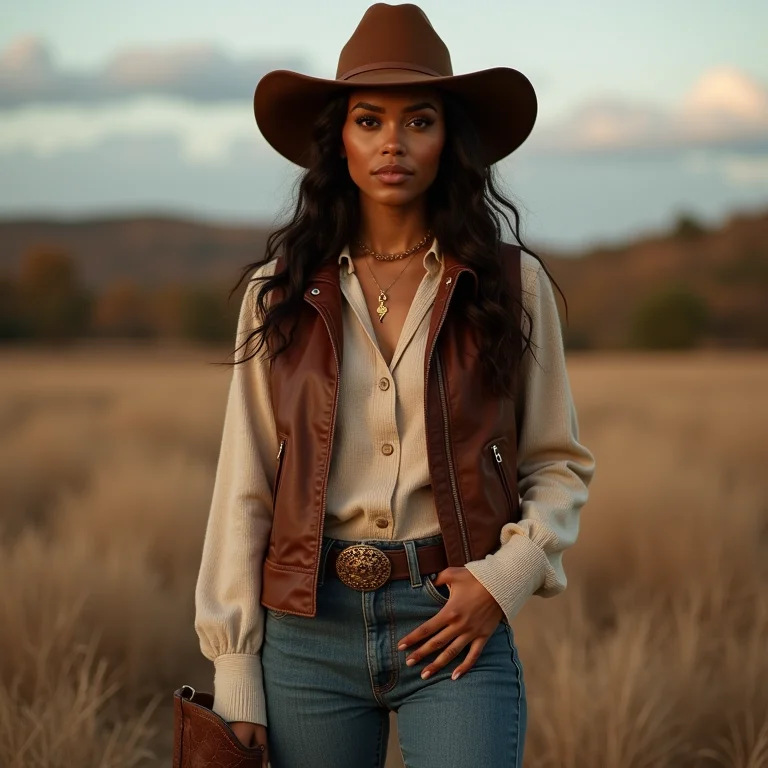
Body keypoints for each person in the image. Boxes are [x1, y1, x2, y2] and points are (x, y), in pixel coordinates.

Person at [194, 3, 596, 767]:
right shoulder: (277, 293)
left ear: (449, 141)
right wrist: (236, 668)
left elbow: (558, 463)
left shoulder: (511, 285)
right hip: (305, 632)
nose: (393, 143)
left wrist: (504, 579)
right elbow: (245, 486)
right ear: (338, 140)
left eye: (419, 121)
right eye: (369, 120)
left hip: (454, 618)